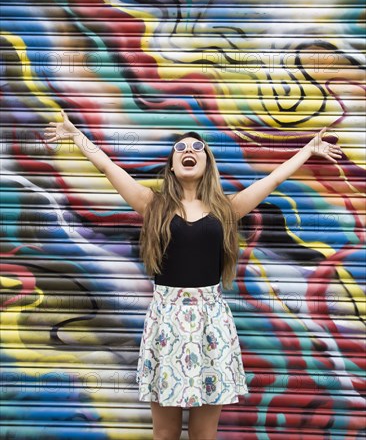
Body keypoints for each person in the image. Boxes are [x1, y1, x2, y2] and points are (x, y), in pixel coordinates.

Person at [43, 110, 342, 440]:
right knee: (165, 433)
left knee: (204, 433)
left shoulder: (226, 209)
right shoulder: (152, 205)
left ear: (208, 164)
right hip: (166, 323)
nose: (188, 151)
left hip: (211, 324)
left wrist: (308, 150)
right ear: (172, 165)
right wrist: (76, 136)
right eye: (181, 148)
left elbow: (270, 181)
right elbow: (108, 167)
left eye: (197, 148)